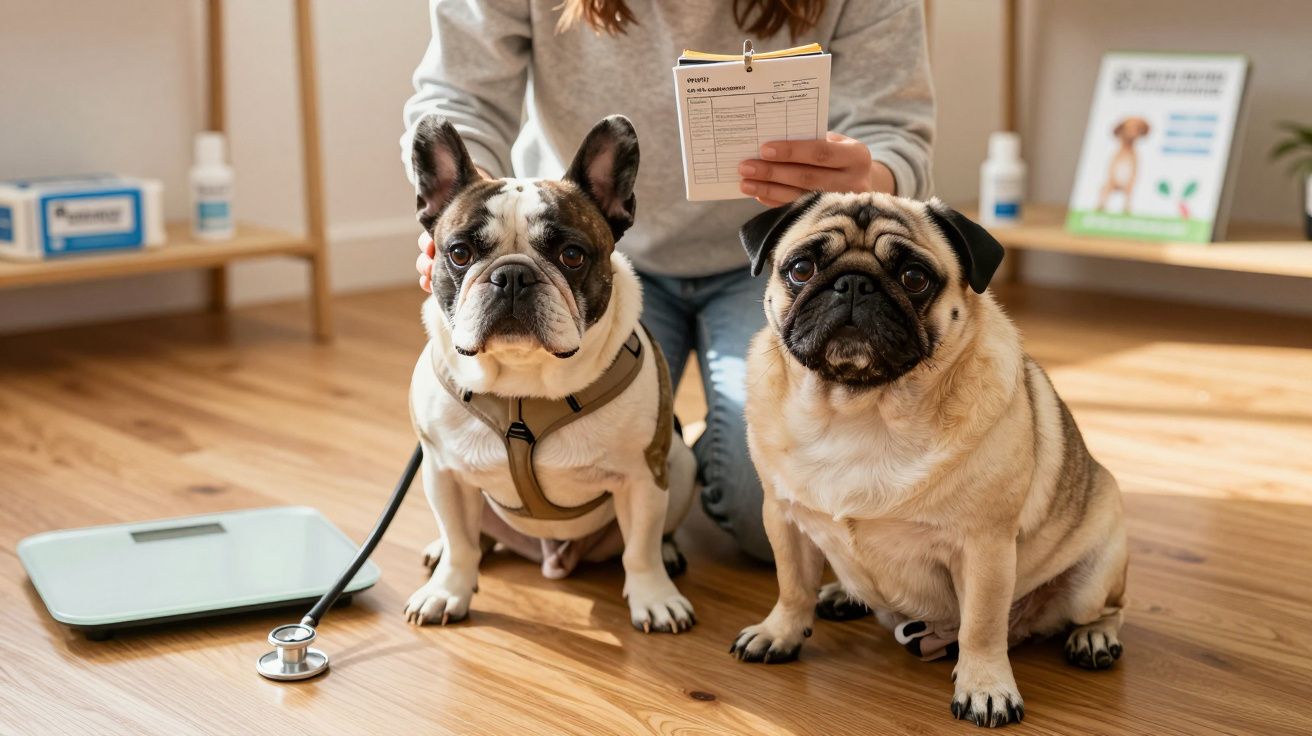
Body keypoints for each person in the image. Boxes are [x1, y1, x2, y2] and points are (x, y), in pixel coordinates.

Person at [403, 0, 934, 561]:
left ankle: (682, 453)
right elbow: (459, 97)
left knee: (771, 521)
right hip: (579, 263)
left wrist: (868, 176)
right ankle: (657, 445)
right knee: (544, 442)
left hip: (777, 263)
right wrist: (464, 212)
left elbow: (895, 127)